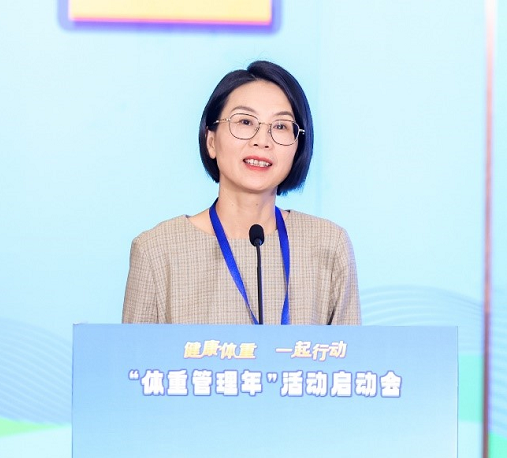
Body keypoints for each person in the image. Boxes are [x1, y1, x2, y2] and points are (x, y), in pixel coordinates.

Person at [122, 60, 360, 325]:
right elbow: (133, 353)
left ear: (298, 147)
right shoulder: (157, 251)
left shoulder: (329, 244)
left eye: (280, 126)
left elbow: (351, 352)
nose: (262, 141)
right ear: (211, 141)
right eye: (246, 121)